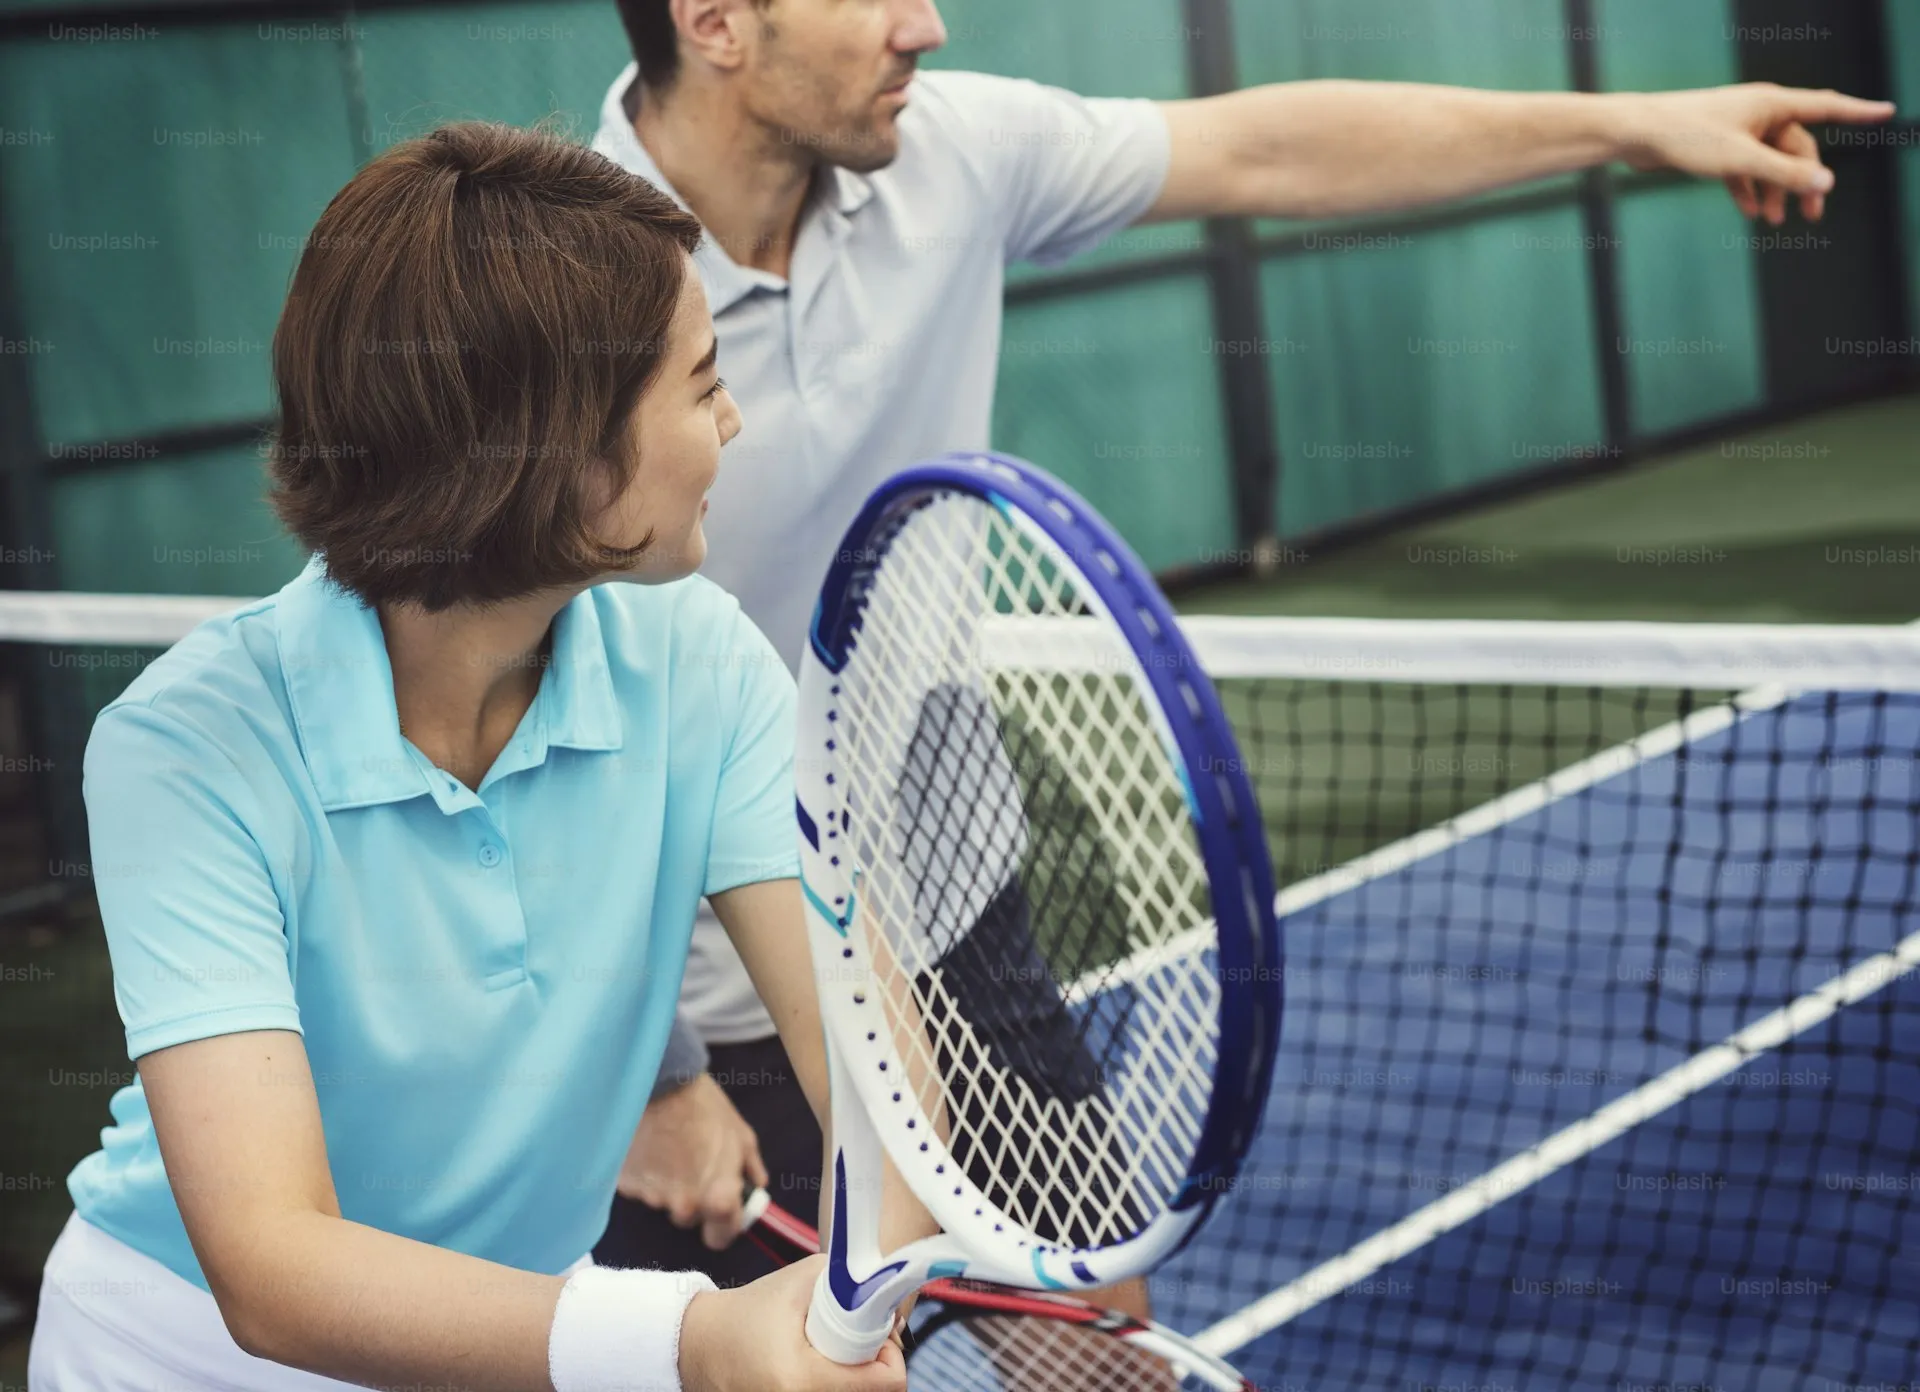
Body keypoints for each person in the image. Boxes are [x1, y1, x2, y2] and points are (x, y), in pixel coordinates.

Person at [593, 0, 1899, 1294]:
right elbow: (489, 687)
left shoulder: (955, 150)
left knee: (1099, 1347)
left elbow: (1272, 147)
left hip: (953, 915)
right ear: (716, 22)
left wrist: (1635, 123)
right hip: (701, 1001)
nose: (924, 26)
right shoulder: (562, 291)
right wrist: (654, 1072)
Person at [27, 121, 919, 1392]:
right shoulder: (184, 750)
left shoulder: (703, 659)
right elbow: (274, 1267)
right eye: (702, 380)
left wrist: (852, 1293)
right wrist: (699, 1343)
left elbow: (880, 1085)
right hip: (176, 1358)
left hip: (515, 1345)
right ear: (561, 456)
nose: (734, 417)